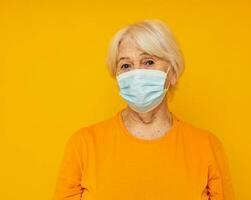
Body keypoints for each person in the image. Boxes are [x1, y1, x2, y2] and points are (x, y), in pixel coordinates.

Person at [52, 19, 235, 200]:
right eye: (126, 65)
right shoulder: (84, 145)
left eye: (148, 62)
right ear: (117, 77)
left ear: (172, 73)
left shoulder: (206, 146)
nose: (137, 74)